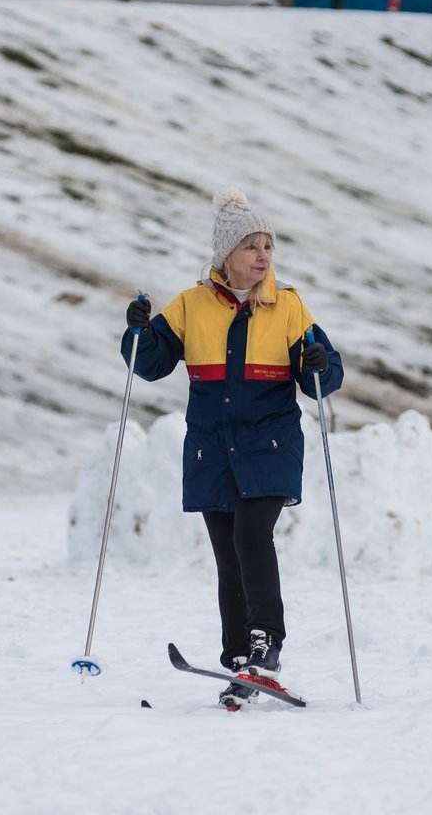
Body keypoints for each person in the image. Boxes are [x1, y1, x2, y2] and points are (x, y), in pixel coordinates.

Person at [122, 187, 343, 708]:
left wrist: (318, 367)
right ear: (226, 255)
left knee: (250, 537)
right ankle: (240, 660)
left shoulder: (287, 307)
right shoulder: (191, 305)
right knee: (227, 555)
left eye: (268, 246)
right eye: (251, 246)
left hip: (270, 443)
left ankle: (266, 644)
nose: (263, 256)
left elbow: (325, 374)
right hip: (211, 452)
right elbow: (148, 365)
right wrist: (136, 333)